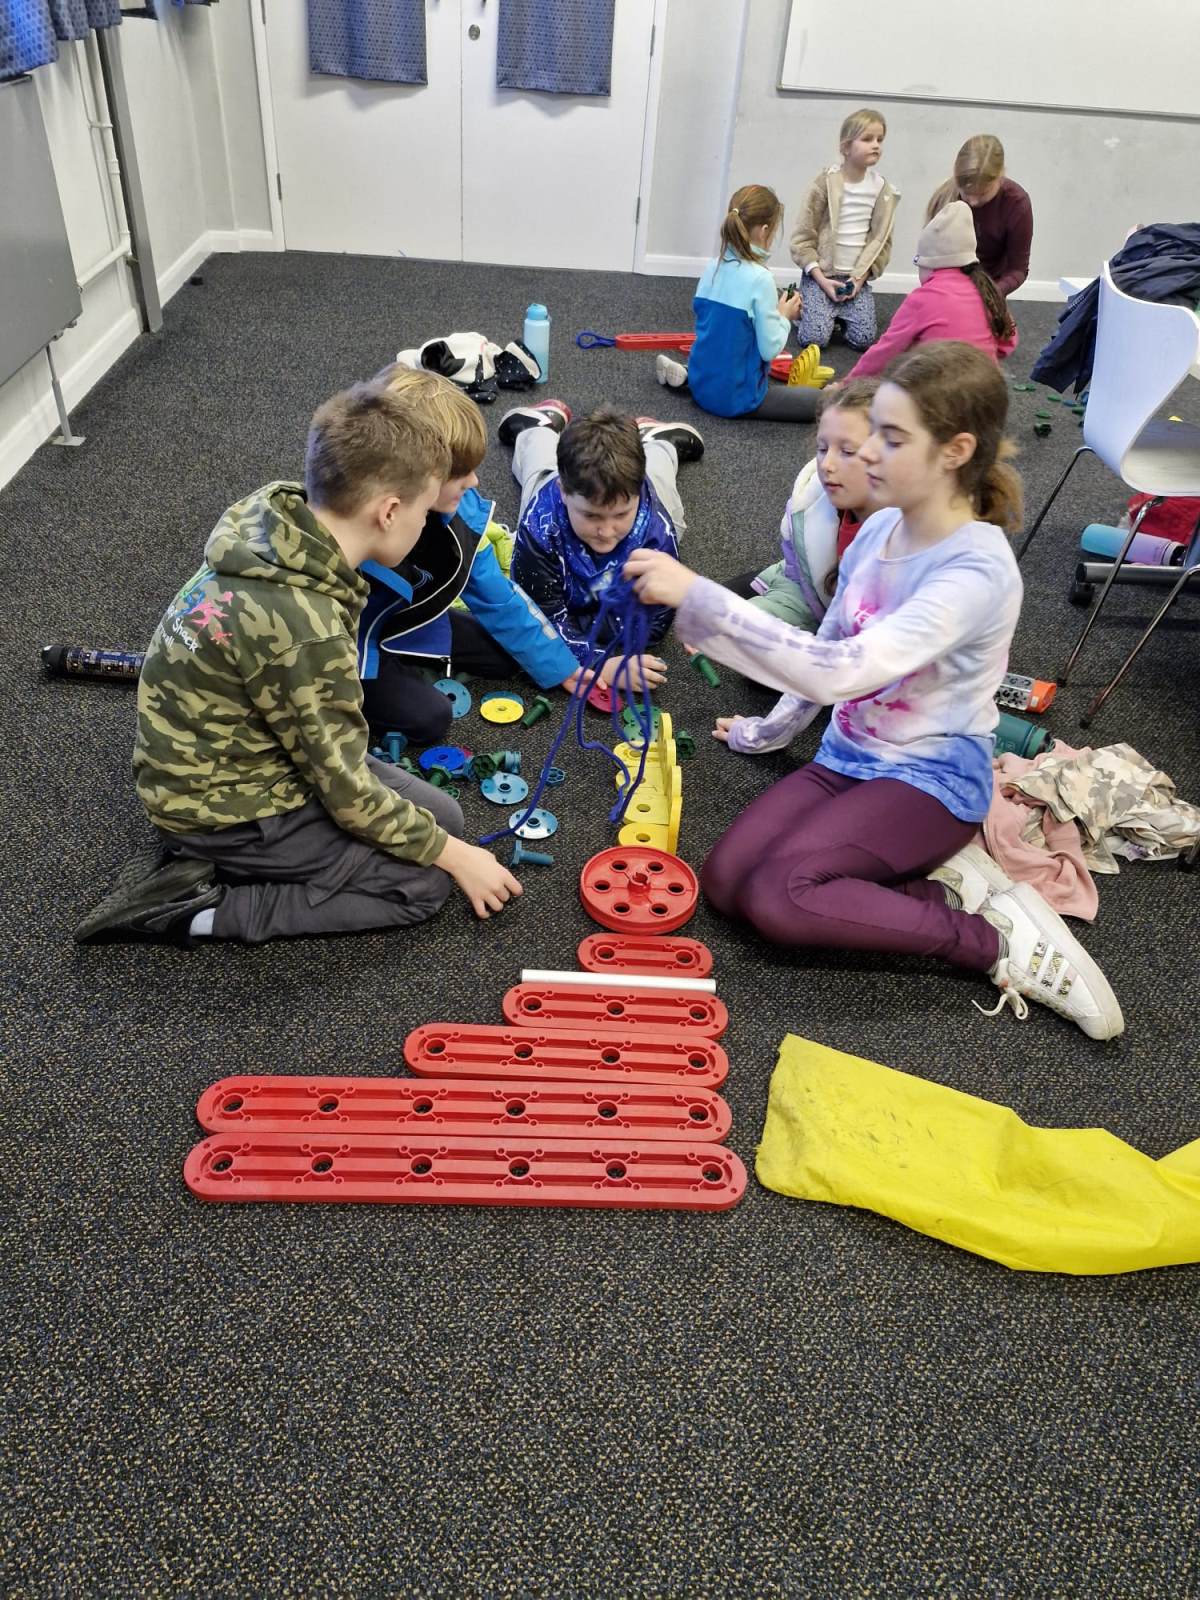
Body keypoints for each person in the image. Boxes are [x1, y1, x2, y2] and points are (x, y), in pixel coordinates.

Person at [625, 342, 1123, 1040]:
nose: (866, 454)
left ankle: (993, 940)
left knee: (779, 897)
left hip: (932, 781)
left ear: (954, 452)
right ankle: (932, 883)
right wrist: (761, 734)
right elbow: (827, 644)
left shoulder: (974, 573)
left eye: (891, 438)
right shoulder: (882, 528)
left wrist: (701, 597)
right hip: (848, 760)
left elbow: (841, 671)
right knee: (729, 883)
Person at [75, 383, 522, 946]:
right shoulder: (305, 630)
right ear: (388, 512)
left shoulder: (279, 523)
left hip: (245, 759)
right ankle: (190, 910)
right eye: (422, 510)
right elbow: (347, 793)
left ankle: (231, 862)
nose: (425, 524)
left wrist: (442, 843)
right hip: (224, 812)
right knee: (423, 883)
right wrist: (454, 858)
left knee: (444, 822)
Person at [359, 365, 585, 745]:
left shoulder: (461, 513)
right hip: (350, 645)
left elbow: (496, 595)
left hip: (403, 621)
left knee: (508, 656)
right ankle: (396, 674)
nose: (475, 481)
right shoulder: (358, 524)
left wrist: (564, 666)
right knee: (430, 719)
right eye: (459, 473)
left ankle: (407, 662)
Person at [504, 402, 702, 693]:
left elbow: (654, 623)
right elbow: (537, 618)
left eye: (620, 515)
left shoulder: (658, 534)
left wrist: (580, 624)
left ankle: (660, 443)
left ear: (638, 495)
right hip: (559, 501)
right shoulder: (539, 529)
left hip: (645, 501)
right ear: (563, 492)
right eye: (592, 516)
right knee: (539, 471)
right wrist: (599, 662)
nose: (607, 532)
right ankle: (537, 428)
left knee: (659, 479)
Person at [725, 378, 879, 631]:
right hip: (810, 589)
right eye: (822, 448)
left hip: (849, 632)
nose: (826, 464)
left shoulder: (899, 543)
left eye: (848, 452)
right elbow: (799, 578)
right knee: (710, 605)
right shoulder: (810, 503)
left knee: (735, 632)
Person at [653, 184, 812, 423]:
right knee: (819, 401)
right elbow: (770, 349)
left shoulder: (712, 266)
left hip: (701, 389)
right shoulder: (761, 278)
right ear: (764, 231)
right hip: (735, 400)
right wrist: (784, 316)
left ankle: (688, 374)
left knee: (722, 346)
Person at [844, 202, 1017, 380]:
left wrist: (845, 385)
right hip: (989, 389)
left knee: (905, 363)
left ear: (929, 264)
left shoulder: (922, 299)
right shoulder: (987, 290)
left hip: (939, 392)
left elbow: (886, 350)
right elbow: (1008, 343)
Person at [789, 109, 900, 353]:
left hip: (854, 278)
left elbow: (881, 241)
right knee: (814, 340)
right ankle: (803, 305)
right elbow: (802, 236)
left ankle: (835, 316)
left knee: (864, 339)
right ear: (846, 147)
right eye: (867, 139)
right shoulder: (825, 182)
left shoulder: (883, 189)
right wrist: (820, 277)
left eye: (880, 139)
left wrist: (859, 280)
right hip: (821, 276)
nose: (876, 145)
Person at [925, 135, 1032, 299]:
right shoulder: (944, 198)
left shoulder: (1016, 203)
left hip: (990, 287)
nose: (973, 202)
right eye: (966, 193)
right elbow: (929, 258)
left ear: (1000, 176)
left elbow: (1018, 270)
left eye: (983, 194)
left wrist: (989, 295)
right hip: (946, 286)